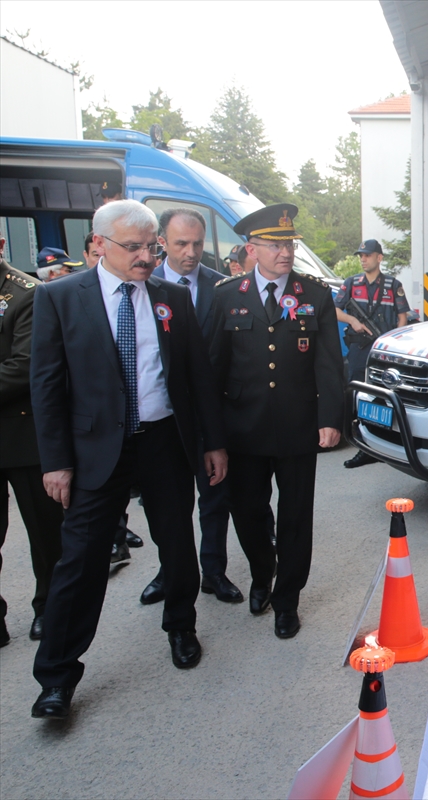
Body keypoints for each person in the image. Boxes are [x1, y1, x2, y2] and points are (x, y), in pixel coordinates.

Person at [29, 200, 227, 719]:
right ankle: (57, 677)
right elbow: (46, 386)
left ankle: (181, 627)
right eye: (133, 247)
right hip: (96, 449)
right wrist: (55, 461)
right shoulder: (58, 298)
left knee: (178, 544)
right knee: (81, 561)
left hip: (163, 442)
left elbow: (196, 377)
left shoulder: (170, 298)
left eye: (150, 246)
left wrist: (211, 442)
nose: (146, 257)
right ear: (97, 245)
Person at [209, 203, 343, 639]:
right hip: (243, 429)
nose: (285, 252)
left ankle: (288, 599)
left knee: (295, 518)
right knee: (248, 513)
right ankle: (262, 573)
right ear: (252, 249)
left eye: (288, 243)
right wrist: (212, 434)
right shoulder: (226, 296)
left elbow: (328, 364)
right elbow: (213, 368)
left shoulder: (315, 295)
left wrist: (330, 418)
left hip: (298, 426)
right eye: (275, 244)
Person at [138, 208, 242, 605]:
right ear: (161, 242)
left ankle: (214, 571)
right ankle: (170, 570)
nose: (192, 252)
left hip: (214, 415)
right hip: (168, 421)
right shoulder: (143, 283)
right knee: (168, 505)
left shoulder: (221, 288)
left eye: (198, 243)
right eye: (182, 243)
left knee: (216, 498)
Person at [0, 244, 64, 647]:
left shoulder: (25, 292)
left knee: (45, 535)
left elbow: (23, 365)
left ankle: (49, 608)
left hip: (22, 436)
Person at [336, 239, 411, 469]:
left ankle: (385, 444)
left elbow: (402, 317)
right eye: (361, 255)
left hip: (384, 351)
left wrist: (394, 343)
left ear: (379, 258)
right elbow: (335, 309)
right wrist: (353, 321)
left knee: (386, 396)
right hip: (359, 348)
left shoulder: (392, 285)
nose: (363, 258)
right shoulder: (351, 283)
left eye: (367, 255)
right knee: (359, 395)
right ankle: (364, 446)